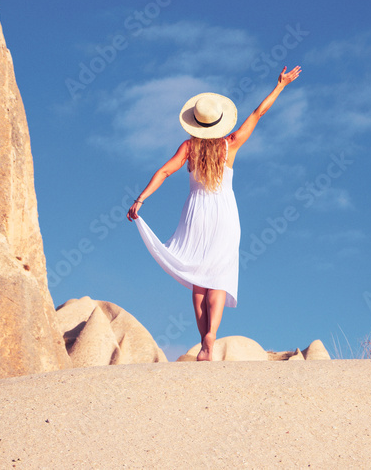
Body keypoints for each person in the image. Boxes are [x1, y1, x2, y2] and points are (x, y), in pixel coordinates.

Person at [128, 65, 302, 361]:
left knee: (198, 278)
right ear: (219, 122)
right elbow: (258, 114)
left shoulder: (188, 148)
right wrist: (280, 86)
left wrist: (141, 199)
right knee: (218, 276)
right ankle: (212, 335)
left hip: (196, 212)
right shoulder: (230, 144)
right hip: (224, 212)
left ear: (195, 124)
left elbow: (165, 171)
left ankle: (202, 340)